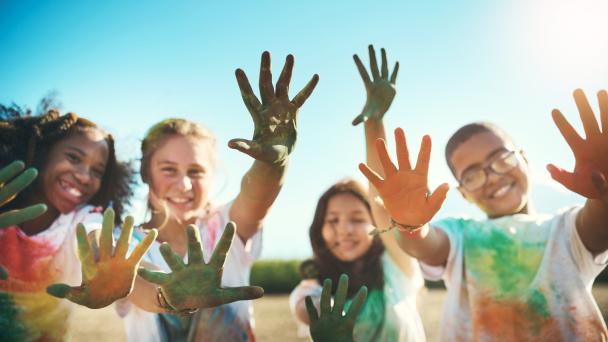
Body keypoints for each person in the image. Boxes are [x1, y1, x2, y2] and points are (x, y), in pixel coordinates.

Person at [359, 89, 608, 340]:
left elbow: (600, 224)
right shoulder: (461, 235)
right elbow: (423, 243)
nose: (492, 177)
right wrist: (410, 223)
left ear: (525, 159)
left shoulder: (566, 229)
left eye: (502, 158)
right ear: (463, 193)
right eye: (472, 175)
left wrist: (605, 191)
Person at [117, 50, 319, 341]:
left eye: (196, 171)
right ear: (146, 173)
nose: (184, 185)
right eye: (168, 170)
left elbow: (257, 194)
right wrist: (174, 296)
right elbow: (134, 285)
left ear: (212, 175)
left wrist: (273, 164)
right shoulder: (127, 242)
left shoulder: (226, 225)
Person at [290, 46, 426, 342]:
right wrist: (320, 318)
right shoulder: (312, 285)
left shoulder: (397, 265)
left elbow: (381, 197)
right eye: (333, 220)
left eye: (356, 218)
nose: (344, 230)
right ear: (319, 227)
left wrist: (374, 122)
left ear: (376, 224)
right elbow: (304, 309)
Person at [0, 108, 153, 340]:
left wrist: (169, 289)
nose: (84, 176)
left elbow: (96, 235)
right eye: (74, 158)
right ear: (43, 153)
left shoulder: (84, 217)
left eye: (97, 171)